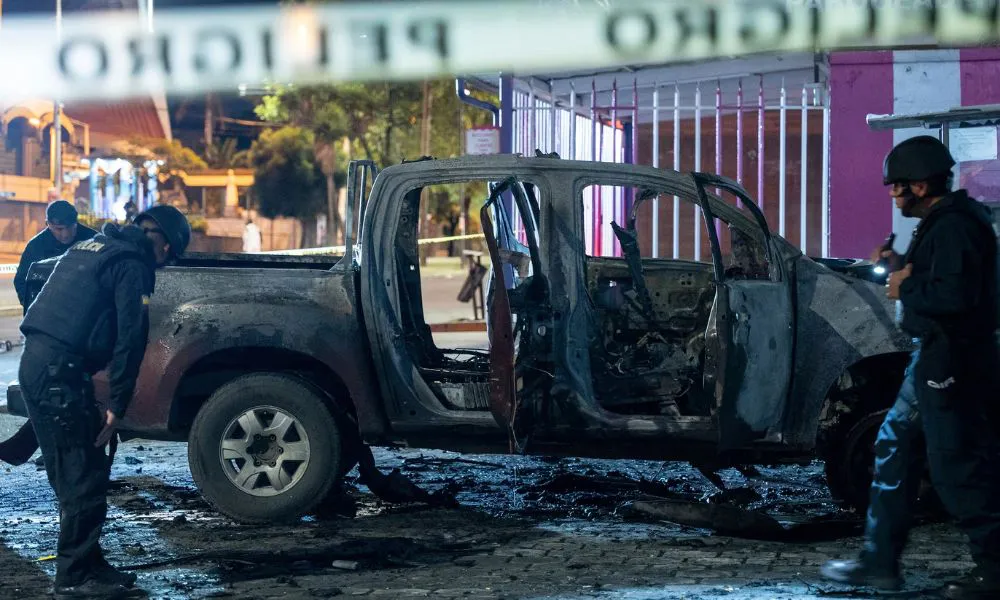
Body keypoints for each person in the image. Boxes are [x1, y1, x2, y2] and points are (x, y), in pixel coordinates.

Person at [820, 135, 1000, 599]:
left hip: (952, 359)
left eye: (896, 186)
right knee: (894, 448)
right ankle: (879, 562)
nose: (893, 195)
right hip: (932, 358)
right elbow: (941, 279)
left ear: (920, 185)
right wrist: (902, 266)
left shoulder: (955, 227)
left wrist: (906, 287)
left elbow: (956, 298)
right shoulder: (942, 224)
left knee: (958, 466)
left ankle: (995, 570)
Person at [18, 204, 191, 598]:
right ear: (164, 244)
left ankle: (89, 563)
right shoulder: (132, 265)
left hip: (40, 366)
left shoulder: (94, 245)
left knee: (77, 472)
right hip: (59, 373)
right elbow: (132, 338)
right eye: (170, 256)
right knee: (83, 476)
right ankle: (75, 578)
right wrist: (117, 404)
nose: (166, 263)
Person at [14, 200, 98, 314]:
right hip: (48, 313)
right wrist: (35, 308)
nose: (65, 234)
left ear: (76, 222)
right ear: (48, 224)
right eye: (59, 229)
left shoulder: (94, 240)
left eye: (70, 227)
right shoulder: (36, 247)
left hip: (87, 312)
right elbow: (22, 281)